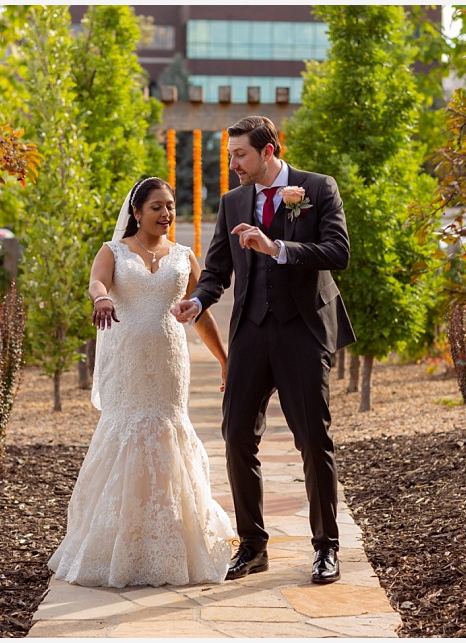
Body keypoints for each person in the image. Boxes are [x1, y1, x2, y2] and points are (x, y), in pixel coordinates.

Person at [171, 116, 356, 584]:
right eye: (231, 154)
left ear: (269, 151)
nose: (233, 164)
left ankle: (326, 548)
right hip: (251, 331)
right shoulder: (234, 201)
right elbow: (216, 270)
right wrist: (197, 301)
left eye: (241, 155)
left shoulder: (317, 188)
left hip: (302, 329)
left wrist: (278, 248)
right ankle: (253, 546)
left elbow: (338, 251)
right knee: (235, 435)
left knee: (313, 439)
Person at [48, 177, 234, 588]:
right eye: (157, 207)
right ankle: (119, 542)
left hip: (169, 362)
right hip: (126, 363)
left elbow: (200, 312)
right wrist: (102, 298)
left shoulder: (185, 256)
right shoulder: (113, 251)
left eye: (170, 206)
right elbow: (97, 283)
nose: (166, 214)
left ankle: (169, 538)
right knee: (128, 431)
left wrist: (224, 359)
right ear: (136, 212)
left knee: (166, 434)